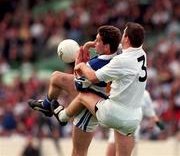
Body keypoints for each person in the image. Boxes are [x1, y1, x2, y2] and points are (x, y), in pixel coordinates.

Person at [51, 22, 147, 156]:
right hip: (133, 119)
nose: (122, 36)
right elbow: (118, 48)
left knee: (84, 95)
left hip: (113, 113)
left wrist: (81, 64)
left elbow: (93, 77)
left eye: (123, 34)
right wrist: (92, 44)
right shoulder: (141, 53)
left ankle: (63, 116)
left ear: (127, 39)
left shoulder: (121, 61)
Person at [28, 25, 122, 156]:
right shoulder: (118, 51)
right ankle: (46, 105)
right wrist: (89, 45)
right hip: (97, 92)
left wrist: (78, 61)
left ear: (106, 47)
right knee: (56, 77)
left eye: (97, 40)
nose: (95, 43)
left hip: (90, 104)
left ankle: (62, 116)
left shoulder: (95, 65)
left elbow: (79, 85)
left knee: (78, 153)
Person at [106, 90, 165, 156]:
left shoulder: (145, 94)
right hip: (117, 127)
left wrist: (159, 124)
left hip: (132, 130)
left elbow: (151, 113)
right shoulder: (123, 88)